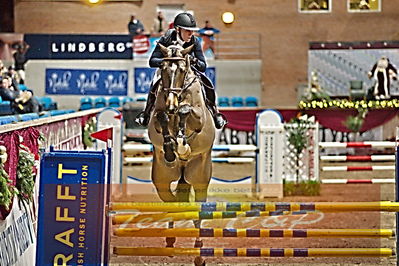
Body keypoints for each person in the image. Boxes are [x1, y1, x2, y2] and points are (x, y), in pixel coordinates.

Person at [135, 12, 227, 129]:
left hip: (187, 72)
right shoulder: (166, 39)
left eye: (192, 30)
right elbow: (152, 61)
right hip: (169, 71)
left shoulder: (194, 41)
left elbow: (203, 66)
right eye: (187, 30)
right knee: (155, 81)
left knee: (207, 82)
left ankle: (215, 112)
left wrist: (193, 60)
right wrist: (165, 62)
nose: (191, 33)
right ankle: (146, 113)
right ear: (178, 29)